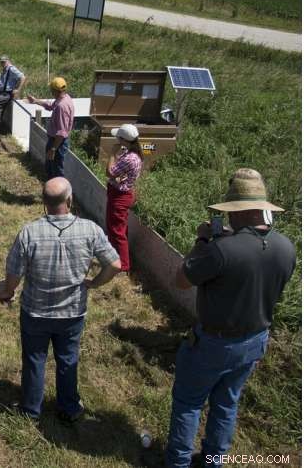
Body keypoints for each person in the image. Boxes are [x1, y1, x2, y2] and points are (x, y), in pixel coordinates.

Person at [163, 169, 295, 468]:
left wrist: (202, 240)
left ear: (239, 211)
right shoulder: (287, 248)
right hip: (256, 339)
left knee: (189, 403)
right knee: (226, 404)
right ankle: (213, 461)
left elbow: (182, 280)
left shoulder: (220, 250)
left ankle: (178, 462)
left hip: (214, 342)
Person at [0, 177, 121, 423]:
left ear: (44, 203)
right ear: (70, 200)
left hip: (35, 311)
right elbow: (115, 264)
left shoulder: (29, 232)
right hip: (72, 311)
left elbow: (14, 275)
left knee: (34, 358)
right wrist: (94, 283)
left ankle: (31, 409)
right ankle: (69, 407)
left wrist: (6, 292)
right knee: (68, 358)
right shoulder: (90, 230)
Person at [105, 123, 143, 273]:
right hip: (122, 194)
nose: (117, 141)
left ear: (124, 140)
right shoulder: (132, 155)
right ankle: (115, 257)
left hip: (120, 197)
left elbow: (109, 172)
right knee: (117, 228)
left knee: (117, 231)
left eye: (118, 138)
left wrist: (112, 154)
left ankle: (124, 265)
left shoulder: (129, 158)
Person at [27, 77, 74, 179]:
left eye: (51, 89)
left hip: (57, 143)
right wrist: (35, 101)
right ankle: (51, 188)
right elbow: (50, 106)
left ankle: (56, 192)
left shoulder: (62, 106)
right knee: (50, 166)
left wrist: (53, 149)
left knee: (56, 169)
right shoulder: (64, 98)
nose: (51, 92)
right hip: (56, 141)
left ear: (55, 90)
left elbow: (61, 132)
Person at [0, 55, 26, 134]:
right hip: (1, 92)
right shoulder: (5, 69)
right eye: (1, 62)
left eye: (4, 62)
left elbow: (23, 77)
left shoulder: (11, 69)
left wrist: (17, 90)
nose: (2, 63)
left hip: (6, 93)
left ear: (8, 61)